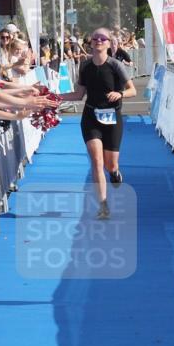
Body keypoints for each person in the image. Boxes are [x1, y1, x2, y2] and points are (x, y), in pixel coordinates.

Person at [56, 27, 136, 220]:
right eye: (95, 38)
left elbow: (132, 90)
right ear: (90, 43)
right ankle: (103, 205)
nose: (99, 41)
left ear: (109, 43)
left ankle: (115, 172)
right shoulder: (84, 66)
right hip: (91, 117)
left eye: (103, 38)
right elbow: (78, 94)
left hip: (113, 118)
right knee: (97, 162)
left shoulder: (116, 65)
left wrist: (120, 94)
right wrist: (54, 98)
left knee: (110, 164)